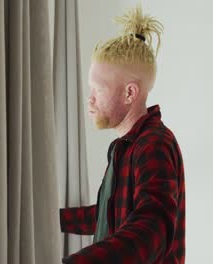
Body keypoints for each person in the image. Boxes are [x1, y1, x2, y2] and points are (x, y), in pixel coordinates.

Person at [59, 4, 185, 264]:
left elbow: (153, 228)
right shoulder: (124, 147)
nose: (89, 99)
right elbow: (108, 214)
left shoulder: (154, 145)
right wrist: (51, 219)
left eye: (99, 90)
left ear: (130, 93)